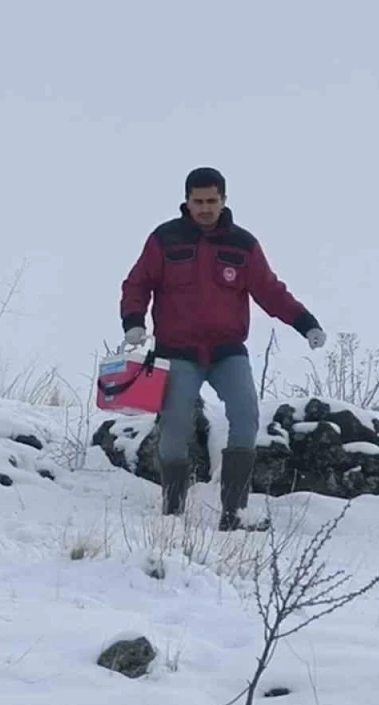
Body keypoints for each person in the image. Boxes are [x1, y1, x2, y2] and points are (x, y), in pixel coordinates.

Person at [119, 167, 325, 531]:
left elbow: (270, 291)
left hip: (227, 351)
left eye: (212, 201)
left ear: (224, 200)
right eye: (197, 201)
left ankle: (234, 514)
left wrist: (306, 322)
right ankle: (172, 513)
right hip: (178, 352)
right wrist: (134, 321)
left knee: (246, 416)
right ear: (186, 201)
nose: (204, 208)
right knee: (175, 429)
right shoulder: (163, 239)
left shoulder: (242, 245)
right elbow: (137, 283)